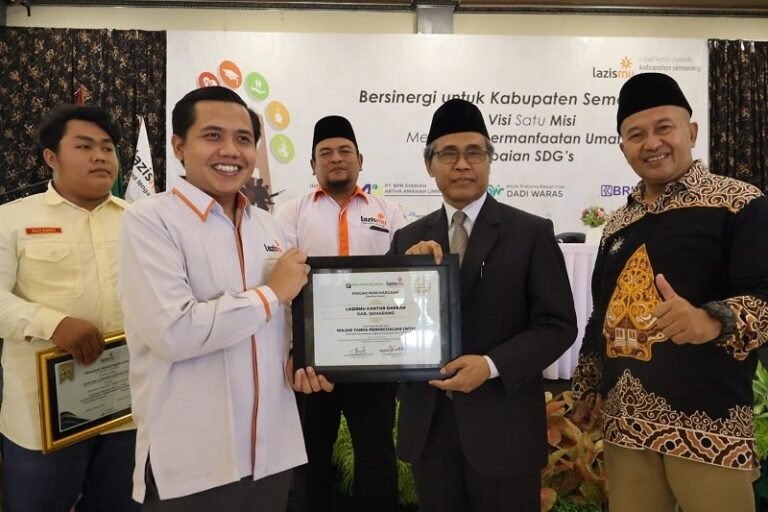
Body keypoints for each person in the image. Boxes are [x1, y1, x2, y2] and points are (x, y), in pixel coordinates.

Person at [119, 86, 332, 512]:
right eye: (213, 135)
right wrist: (270, 294)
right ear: (179, 146)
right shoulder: (150, 220)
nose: (231, 151)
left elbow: (283, 322)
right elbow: (174, 332)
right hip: (194, 463)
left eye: (244, 138)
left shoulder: (268, 226)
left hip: (273, 452)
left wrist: (300, 357)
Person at [571, 72, 768, 512]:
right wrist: (586, 386)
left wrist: (710, 320)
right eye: (636, 134)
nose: (652, 143)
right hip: (625, 428)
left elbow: (765, 296)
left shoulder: (738, 203)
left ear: (691, 132)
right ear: (623, 147)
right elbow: (601, 314)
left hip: (709, 425)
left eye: (664, 127)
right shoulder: (617, 225)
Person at [388, 98, 577, 512]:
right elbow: (394, 327)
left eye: (474, 152)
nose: (462, 164)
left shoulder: (530, 232)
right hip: (431, 430)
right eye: (448, 154)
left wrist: (490, 366)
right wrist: (408, 281)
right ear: (429, 164)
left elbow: (557, 324)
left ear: (489, 160)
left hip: (503, 429)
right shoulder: (408, 239)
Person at [0, 104, 138, 512]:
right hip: (42, 419)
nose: (100, 156)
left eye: (108, 148)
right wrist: (53, 323)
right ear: (51, 156)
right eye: (84, 146)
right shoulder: (12, 219)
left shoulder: (142, 222)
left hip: (127, 410)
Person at [276, 115, 403, 512]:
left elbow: (405, 280)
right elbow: (282, 290)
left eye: (345, 150)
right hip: (314, 361)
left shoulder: (389, 213)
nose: (336, 158)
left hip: (375, 356)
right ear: (312, 165)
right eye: (325, 152)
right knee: (310, 453)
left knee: (377, 451)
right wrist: (293, 350)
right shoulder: (290, 214)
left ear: (360, 160)